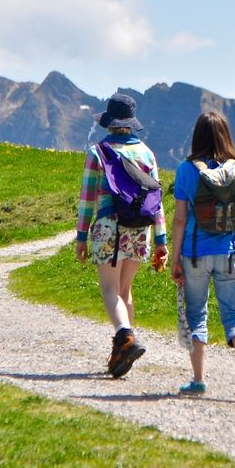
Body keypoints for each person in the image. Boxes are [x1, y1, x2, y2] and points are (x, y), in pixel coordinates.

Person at [75, 92, 168, 377]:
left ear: (109, 121)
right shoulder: (146, 153)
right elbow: (157, 199)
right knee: (125, 291)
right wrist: (161, 240)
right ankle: (121, 350)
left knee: (108, 289)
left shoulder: (98, 152)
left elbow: (88, 197)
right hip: (139, 230)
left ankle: (125, 337)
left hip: (108, 227)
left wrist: (81, 237)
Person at [170, 111, 235, 400]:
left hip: (195, 253)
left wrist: (175, 258)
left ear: (197, 136)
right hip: (232, 253)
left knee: (197, 314)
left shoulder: (187, 171)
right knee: (233, 313)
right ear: (226, 135)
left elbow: (180, 220)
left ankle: (198, 380)